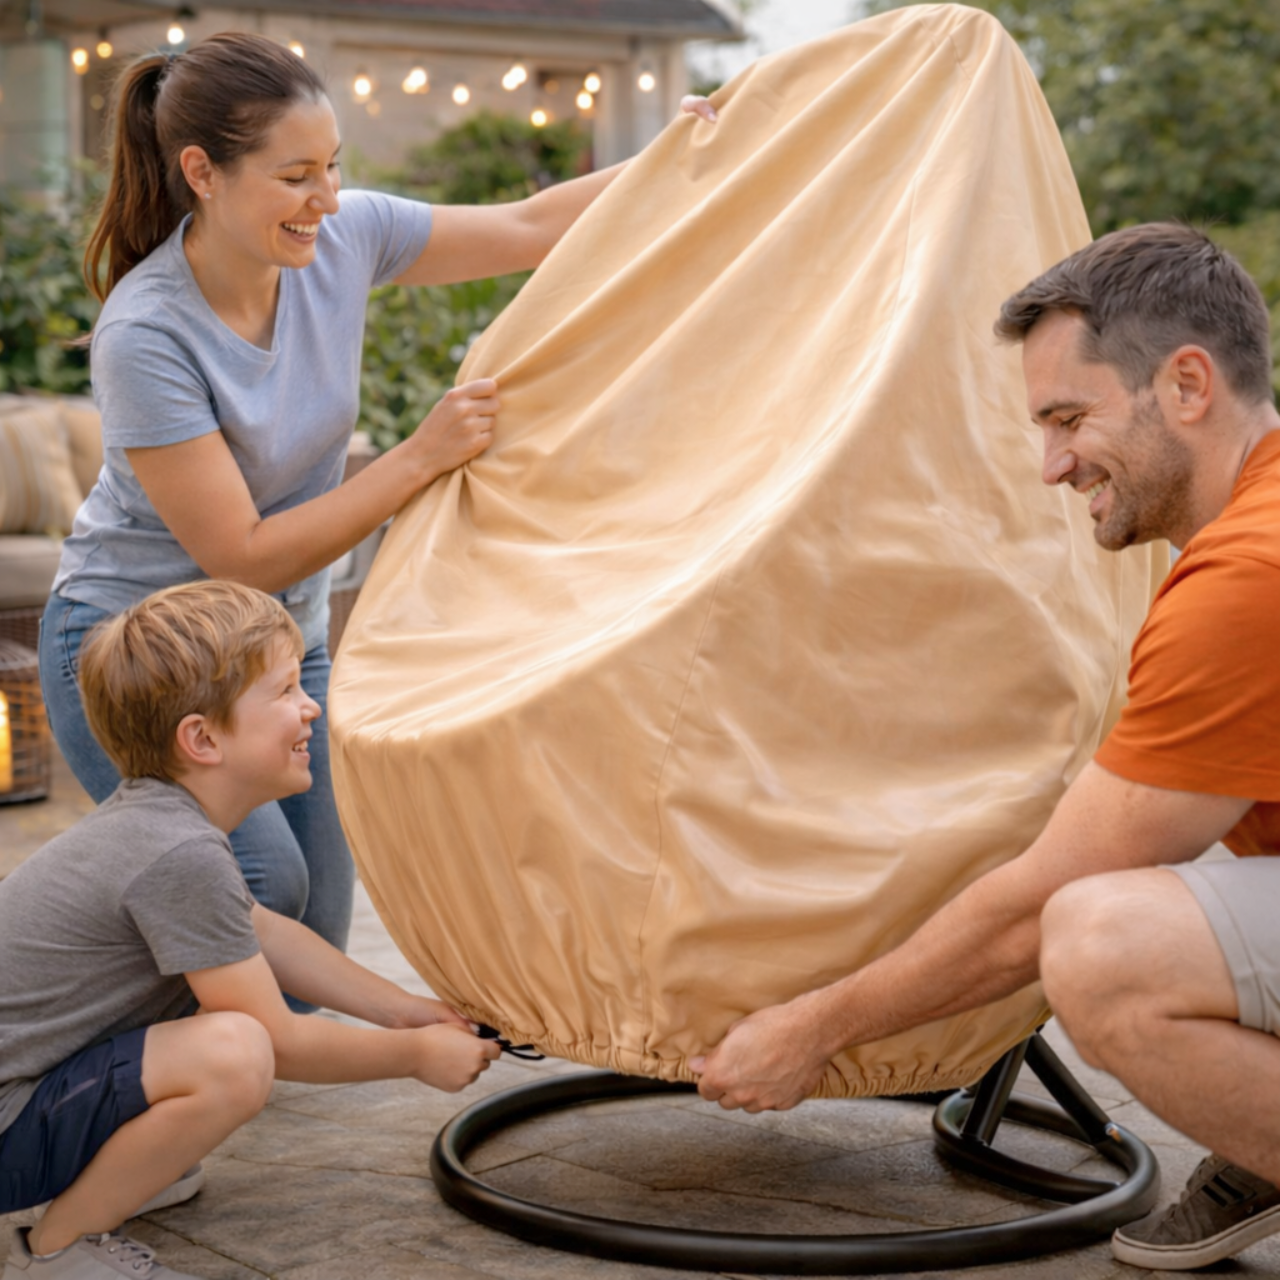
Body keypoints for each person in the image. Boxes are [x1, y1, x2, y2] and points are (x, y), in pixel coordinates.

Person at [41, 33, 716, 957]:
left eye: (333, 169)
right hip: (138, 649)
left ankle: (195, 1022)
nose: (325, 199)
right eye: (294, 177)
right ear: (202, 171)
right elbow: (239, 550)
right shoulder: (147, 334)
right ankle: (73, 1028)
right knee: (261, 888)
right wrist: (419, 458)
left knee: (314, 934)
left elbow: (527, 228)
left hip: (274, 643)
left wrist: (683, 152)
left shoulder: (343, 237)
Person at [690, 223, 1280, 1270]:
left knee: (1102, 940)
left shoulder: (1244, 577)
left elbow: (1028, 909)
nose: (1051, 464)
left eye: (1068, 417)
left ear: (1186, 384)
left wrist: (815, 1025)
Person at [1, 581, 502, 1280]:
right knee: (236, 1052)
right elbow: (281, 1039)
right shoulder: (176, 854)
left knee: (232, 1040)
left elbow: (265, 932)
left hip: (21, 1098)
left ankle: (111, 1175)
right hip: (7, 1127)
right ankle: (54, 1250)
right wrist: (414, 1056)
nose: (311, 707)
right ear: (203, 739)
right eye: (287, 691)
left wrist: (411, 1011)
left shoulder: (163, 824)